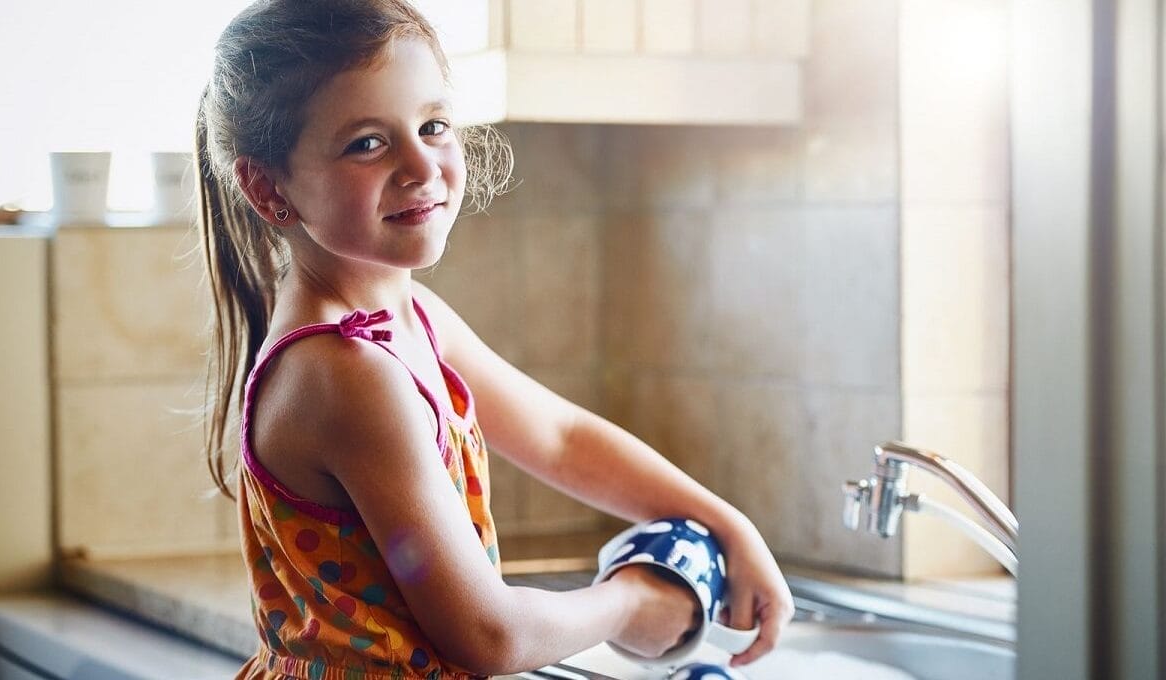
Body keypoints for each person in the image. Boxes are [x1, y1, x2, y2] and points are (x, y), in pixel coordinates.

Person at [196, 1, 794, 677]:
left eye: (432, 125)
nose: (421, 165)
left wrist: (727, 524)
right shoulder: (344, 372)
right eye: (367, 142)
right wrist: (631, 601)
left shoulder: (412, 317)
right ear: (269, 188)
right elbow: (490, 637)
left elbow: (561, 439)